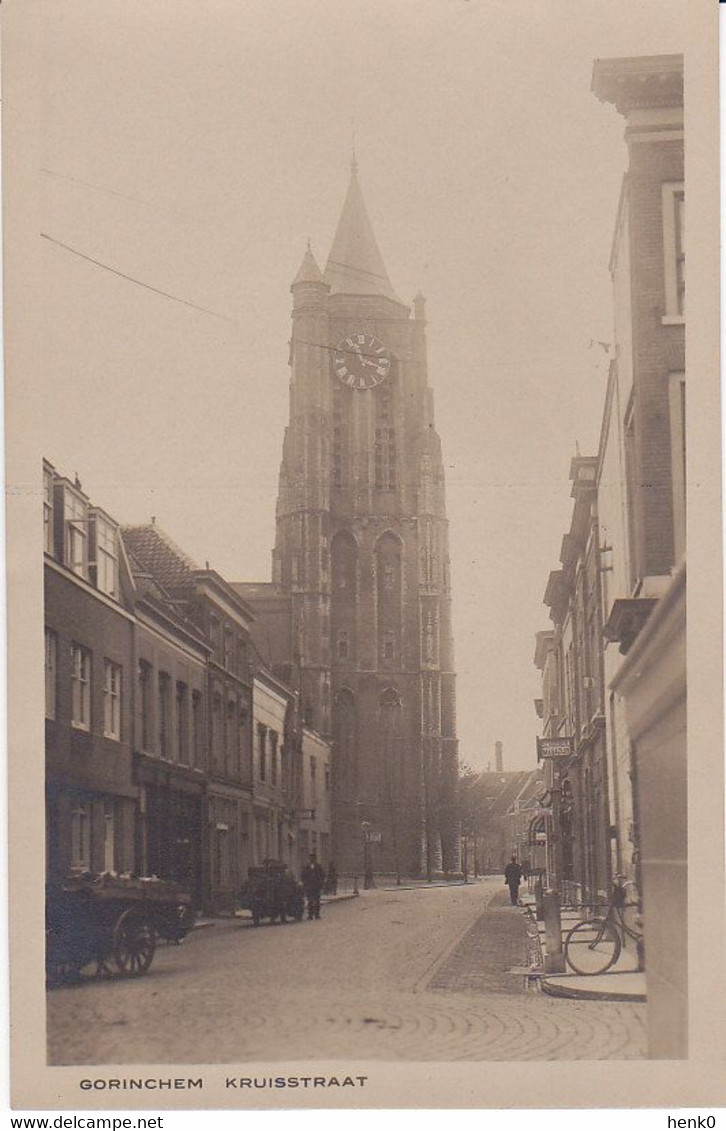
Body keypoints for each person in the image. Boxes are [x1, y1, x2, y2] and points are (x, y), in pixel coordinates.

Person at [301, 852, 325, 920]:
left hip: (316, 887)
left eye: (313, 858)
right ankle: (310, 915)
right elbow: (303, 876)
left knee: (317, 901)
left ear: (315, 859)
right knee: (310, 901)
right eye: (310, 858)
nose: (312, 859)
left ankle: (317, 915)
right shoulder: (306, 867)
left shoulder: (318, 866)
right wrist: (305, 883)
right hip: (309, 887)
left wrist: (320, 883)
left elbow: (322, 875)